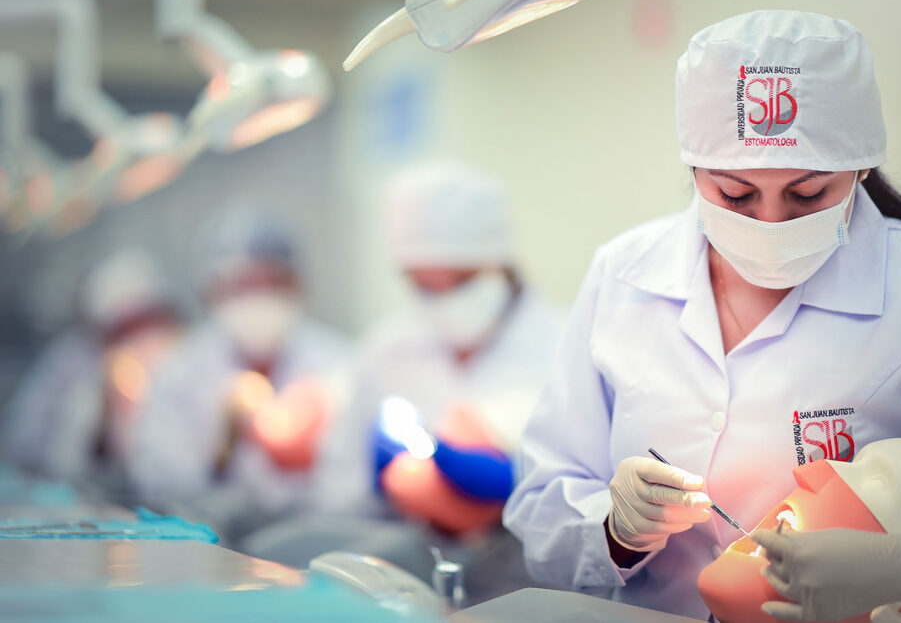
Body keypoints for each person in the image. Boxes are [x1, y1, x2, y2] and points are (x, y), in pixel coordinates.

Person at [503, 10, 901, 621]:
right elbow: (540, 501)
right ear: (694, 169)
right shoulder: (623, 275)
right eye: (735, 194)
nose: (770, 223)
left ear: (859, 169)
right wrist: (615, 530)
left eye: (807, 195)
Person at [314, 163, 566, 603]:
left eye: (463, 280)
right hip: (405, 578)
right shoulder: (385, 351)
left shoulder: (566, 343)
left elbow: (593, 496)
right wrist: (385, 482)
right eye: (425, 286)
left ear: (501, 262)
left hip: (528, 586)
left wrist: (513, 486)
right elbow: (336, 490)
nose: (446, 300)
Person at [130, 204, 354, 542]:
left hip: (313, 550)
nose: (258, 298)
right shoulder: (180, 373)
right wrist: (226, 446)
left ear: (300, 285)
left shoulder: (337, 364)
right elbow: (162, 487)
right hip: (209, 552)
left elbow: (351, 490)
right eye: (243, 285)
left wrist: (298, 456)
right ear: (211, 290)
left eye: (272, 282)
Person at [2, 248, 184, 496]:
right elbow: (59, 462)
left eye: (148, 320)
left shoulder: (194, 372)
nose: (141, 338)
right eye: (125, 328)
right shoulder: (87, 389)